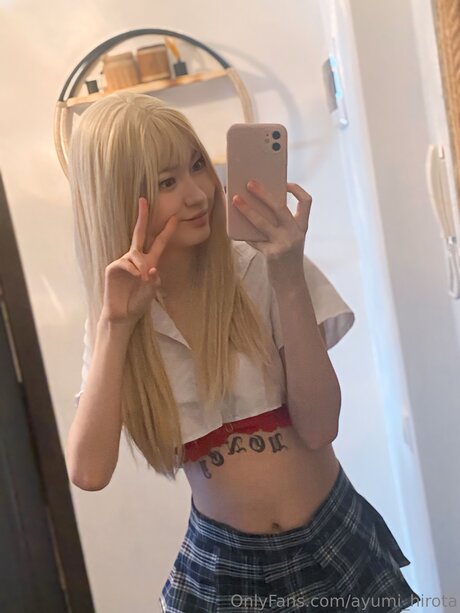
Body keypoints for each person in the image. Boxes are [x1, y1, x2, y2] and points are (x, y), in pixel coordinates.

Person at [66, 91, 421, 612]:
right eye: (167, 182)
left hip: (331, 537)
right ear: (120, 200)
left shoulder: (259, 266)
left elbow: (320, 427)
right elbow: (89, 473)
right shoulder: (118, 318)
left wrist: (288, 277)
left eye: (197, 166)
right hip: (224, 567)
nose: (198, 194)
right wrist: (116, 326)